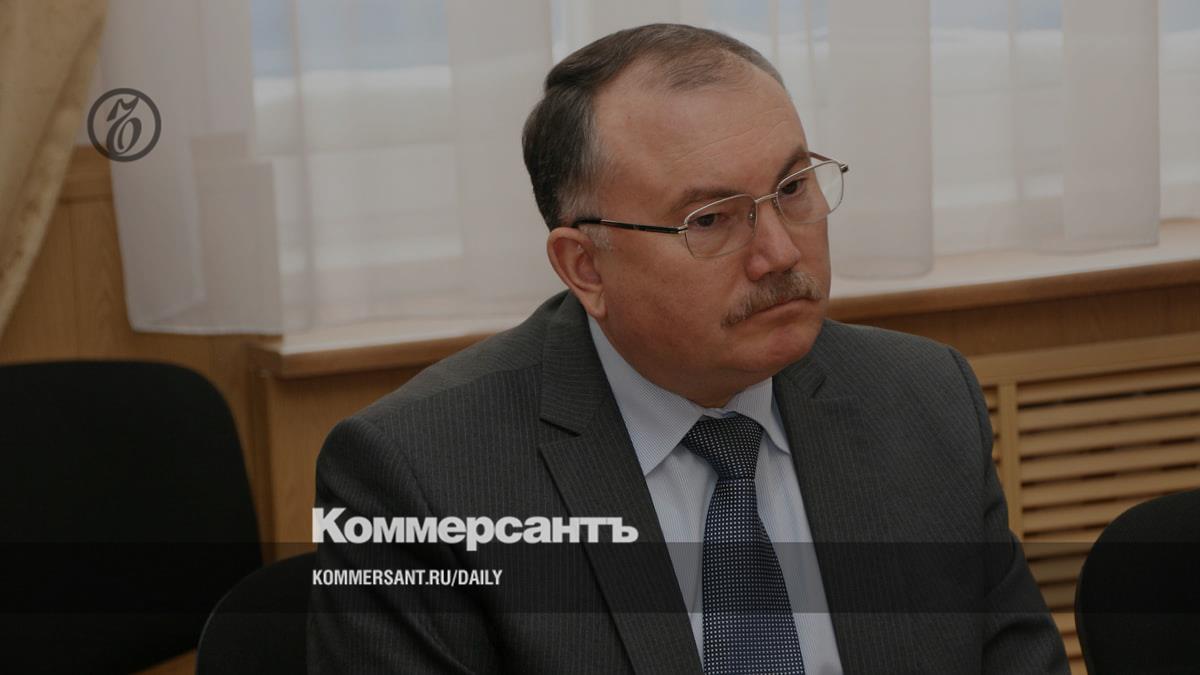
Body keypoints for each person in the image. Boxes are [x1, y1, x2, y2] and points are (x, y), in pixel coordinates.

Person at [308, 23, 1069, 674]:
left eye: (793, 188)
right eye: (709, 220)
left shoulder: (923, 399)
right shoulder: (417, 478)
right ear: (585, 266)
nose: (780, 253)